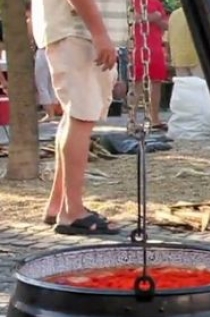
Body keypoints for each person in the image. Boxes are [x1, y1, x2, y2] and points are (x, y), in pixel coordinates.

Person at [33, 0, 126, 235]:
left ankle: (59, 204)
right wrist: (99, 32)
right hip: (78, 32)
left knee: (75, 117)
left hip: (76, 30)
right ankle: (72, 212)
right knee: (81, 117)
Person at [132, 0, 168, 131]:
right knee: (137, 84)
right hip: (138, 48)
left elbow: (166, 25)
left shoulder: (156, 2)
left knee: (156, 83)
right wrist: (151, 17)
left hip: (156, 47)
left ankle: (155, 119)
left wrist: (156, 19)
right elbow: (130, 19)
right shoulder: (130, 2)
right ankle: (132, 119)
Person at [28, 5, 60, 122]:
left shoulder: (33, 21)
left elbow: (29, 37)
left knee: (42, 83)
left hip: (42, 50)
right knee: (52, 83)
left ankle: (50, 113)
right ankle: (54, 112)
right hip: (54, 49)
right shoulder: (52, 19)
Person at [167, 6, 202, 78]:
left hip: (178, 58)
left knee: (184, 87)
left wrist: (170, 56)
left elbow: (168, 38)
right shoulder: (200, 13)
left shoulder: (174, 14)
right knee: (200, 86)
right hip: (196, 57)